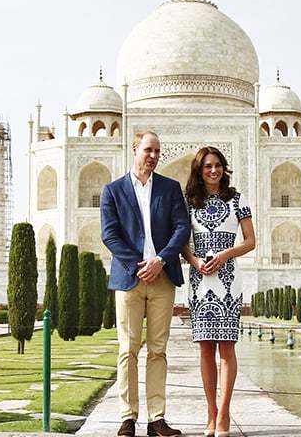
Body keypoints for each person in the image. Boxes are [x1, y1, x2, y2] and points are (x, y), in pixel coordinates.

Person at [101, 131, 190, 437]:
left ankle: (157, 418)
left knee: (157, 350)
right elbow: (109, 234)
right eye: (148, 150)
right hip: (130, 278)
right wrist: (139, 265)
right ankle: (128, 417)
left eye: (157, 151)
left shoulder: (170, 187)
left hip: (163, 276)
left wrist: (161, 260)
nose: (152, 156)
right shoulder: (112, 190)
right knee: (127, 349)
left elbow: (182, 228)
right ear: (134, 149)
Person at [181, 147, 255, 437]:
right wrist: (195, 260)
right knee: (205, 349)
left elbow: (250, 241)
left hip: (227, 280)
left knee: (226, 348)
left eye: (218, 165)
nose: (213, 170)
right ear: (199, 171)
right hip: (200, 281)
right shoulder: (190, 203)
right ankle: (210, 414)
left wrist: (225, 255)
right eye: (207, 166)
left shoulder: (237, 200)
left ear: (224, 168)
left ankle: (224, 414)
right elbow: (183, 242)